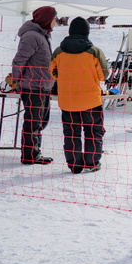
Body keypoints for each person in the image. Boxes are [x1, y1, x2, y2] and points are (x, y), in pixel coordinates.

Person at [49, 17, 109, 173]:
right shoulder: (94, 51)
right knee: (93, 131)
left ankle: (75, 165)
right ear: (86, 32)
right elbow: (104, 74)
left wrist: (62, 77)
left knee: (71, 133)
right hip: (91, 100)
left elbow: (52, 72)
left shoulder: (59, 51)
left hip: (67, 101)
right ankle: (92, 163)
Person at [11, 6, 58, 164]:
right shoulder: (32, 36)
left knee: (40, 121)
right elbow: (19, 60)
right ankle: (30, 154)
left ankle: (33, 151)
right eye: (54, 19)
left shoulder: (42, 35)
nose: (56, 22)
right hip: (33, 86)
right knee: (34, 121)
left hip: (43, 85)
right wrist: (16, 81)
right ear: (46, 19)